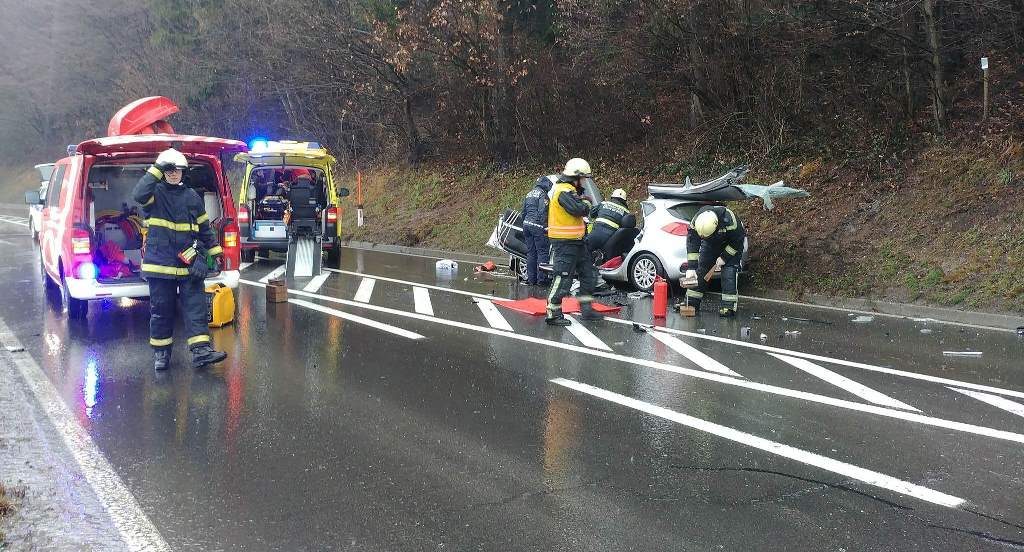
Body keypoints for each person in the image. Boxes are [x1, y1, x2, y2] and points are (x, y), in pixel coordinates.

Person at [133, 148, 227, 371]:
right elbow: (138, 194)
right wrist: (157, 168)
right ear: (163, 171)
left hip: (189, 264)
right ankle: (161, 354)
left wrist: (213, 254)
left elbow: (204, 228)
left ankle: (201, 352)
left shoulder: (192, 197)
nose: (174, 174)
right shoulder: (154, 193)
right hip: (160, 265)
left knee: (195, 309)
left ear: (184, 172)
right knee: (161, 311)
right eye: (169, 170)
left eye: (178, 170)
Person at [546, 158, 601, 326]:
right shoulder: (563, 191)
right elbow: (579, 209)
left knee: (589, 274)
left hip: (577, 242)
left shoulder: (570, 190)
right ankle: (553, 312)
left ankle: (586, 309)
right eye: (583, 178)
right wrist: (586, 201)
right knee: (562, 278)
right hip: (565, 243)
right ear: (575, 177)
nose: (584, 181)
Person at [682, 205, 746, 317]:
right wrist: (692, 267)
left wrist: (724, 257)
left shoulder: (731, 221)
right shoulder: (697, 223)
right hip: (711, 244)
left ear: (716, 226)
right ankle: (691, 303)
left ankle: (728, 306)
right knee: (701, 270)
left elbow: (737, 242)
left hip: (731, 245)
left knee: (728, 273)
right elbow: (692, 244)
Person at [521, 175, 555, 286]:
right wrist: (545, 226)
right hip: (537, 226)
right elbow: (542, 211)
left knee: (531, 253)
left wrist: (525, 222)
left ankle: (531, 280)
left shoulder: (529, 194)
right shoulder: (543, 195)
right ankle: (542, 280)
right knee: (542, 253)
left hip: (526, 225)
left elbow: (523, 212)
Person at [586, 188, 631, 262]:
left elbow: (592, 213)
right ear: (624, 200)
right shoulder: (626, 211)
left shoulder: (604, 203)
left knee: (585, 250)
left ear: (612, 197)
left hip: (595, 233)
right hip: (611, 238)